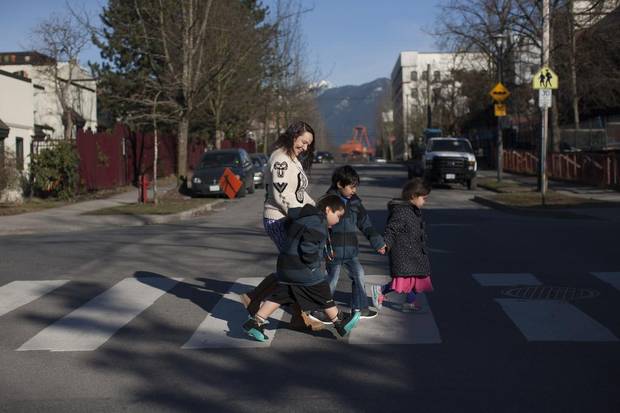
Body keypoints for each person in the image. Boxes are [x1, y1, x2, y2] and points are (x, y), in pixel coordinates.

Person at [243, 195, 361, 341]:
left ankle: (256, 321)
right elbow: (308, 247)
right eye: (338, 216)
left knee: (282, 295)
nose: (338, 220)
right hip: (302, 268)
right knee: (321, 289)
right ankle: (339, 321)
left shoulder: (303, 217)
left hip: (286, 266)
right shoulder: (318, 222)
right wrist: (313, 265)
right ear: (328, 210)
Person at [239, 121, 321, 329]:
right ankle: (297, 315)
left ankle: (255, 297)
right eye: (303, 141)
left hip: (292, 218)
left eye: (309, 144)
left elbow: (299, 194)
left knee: (292, 267)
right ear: (293, 136)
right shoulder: (281, 160)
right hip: (280, 219)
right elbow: (282, 196)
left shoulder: (293, 159)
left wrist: (316, 208)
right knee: (295, 267)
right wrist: (304, 215)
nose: (305, 147)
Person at [310, 166, 385, 324]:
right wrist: (316, 249)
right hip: (333, 251)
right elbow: (317, 225)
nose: (354, 190)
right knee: (332, 280)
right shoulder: (328, 202)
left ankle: (360, 307)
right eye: (351, 186)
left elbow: (366, 224)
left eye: (355, 186)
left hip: (351, 251)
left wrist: (378, 242)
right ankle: (321, 310)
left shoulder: (356, 203)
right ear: (339, 184)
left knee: (359, 276)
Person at [371, 178, 433, 312]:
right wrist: (386, 244)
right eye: (424, 198)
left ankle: (410, 302)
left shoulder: (413, 210)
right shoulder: (402, 211)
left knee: (418, 279)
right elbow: (391, 229)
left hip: (415, 252)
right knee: (403, 281)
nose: (425, 201)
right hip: (403, 253)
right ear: (413, 196)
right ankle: (380, 290)